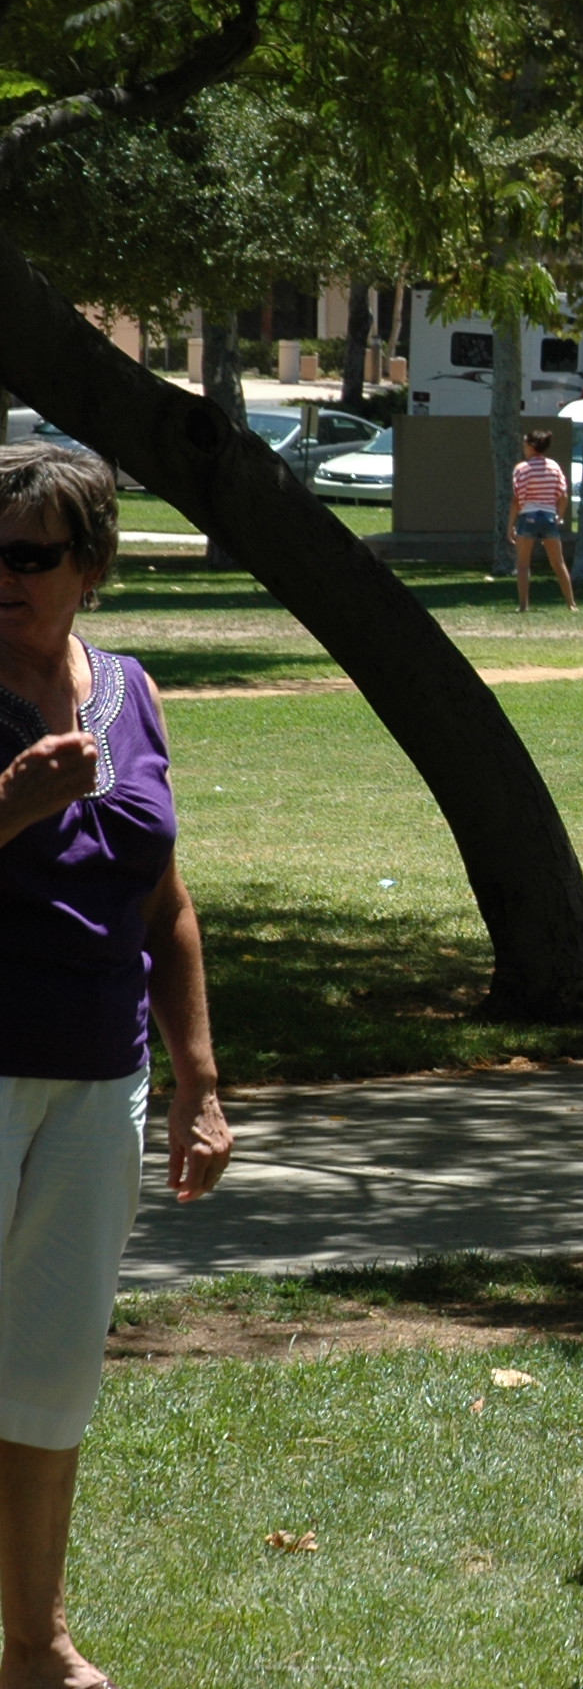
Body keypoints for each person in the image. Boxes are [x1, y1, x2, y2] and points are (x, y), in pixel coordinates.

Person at [0, 443, 233, 1689]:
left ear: (88, 567)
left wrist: (197, 1080)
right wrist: (11, 807)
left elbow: (167, 898)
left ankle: (34, 1646)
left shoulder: (129, 689)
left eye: (29, 554)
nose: (3, 574)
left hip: (100, 1078)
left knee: (47, 1371)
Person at [511, 428, 578, 614]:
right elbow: (563, 495)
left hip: (528, 517)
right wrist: (560, 516)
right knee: (558, 562)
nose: (523, 447)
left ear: (532, 446)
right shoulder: (554, 467)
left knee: (523, 564)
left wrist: (510, 526)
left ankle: (523, 605)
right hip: (549, 517)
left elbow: (516, 500)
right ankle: (571, 604)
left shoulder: (521, 469)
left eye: (525, 444)